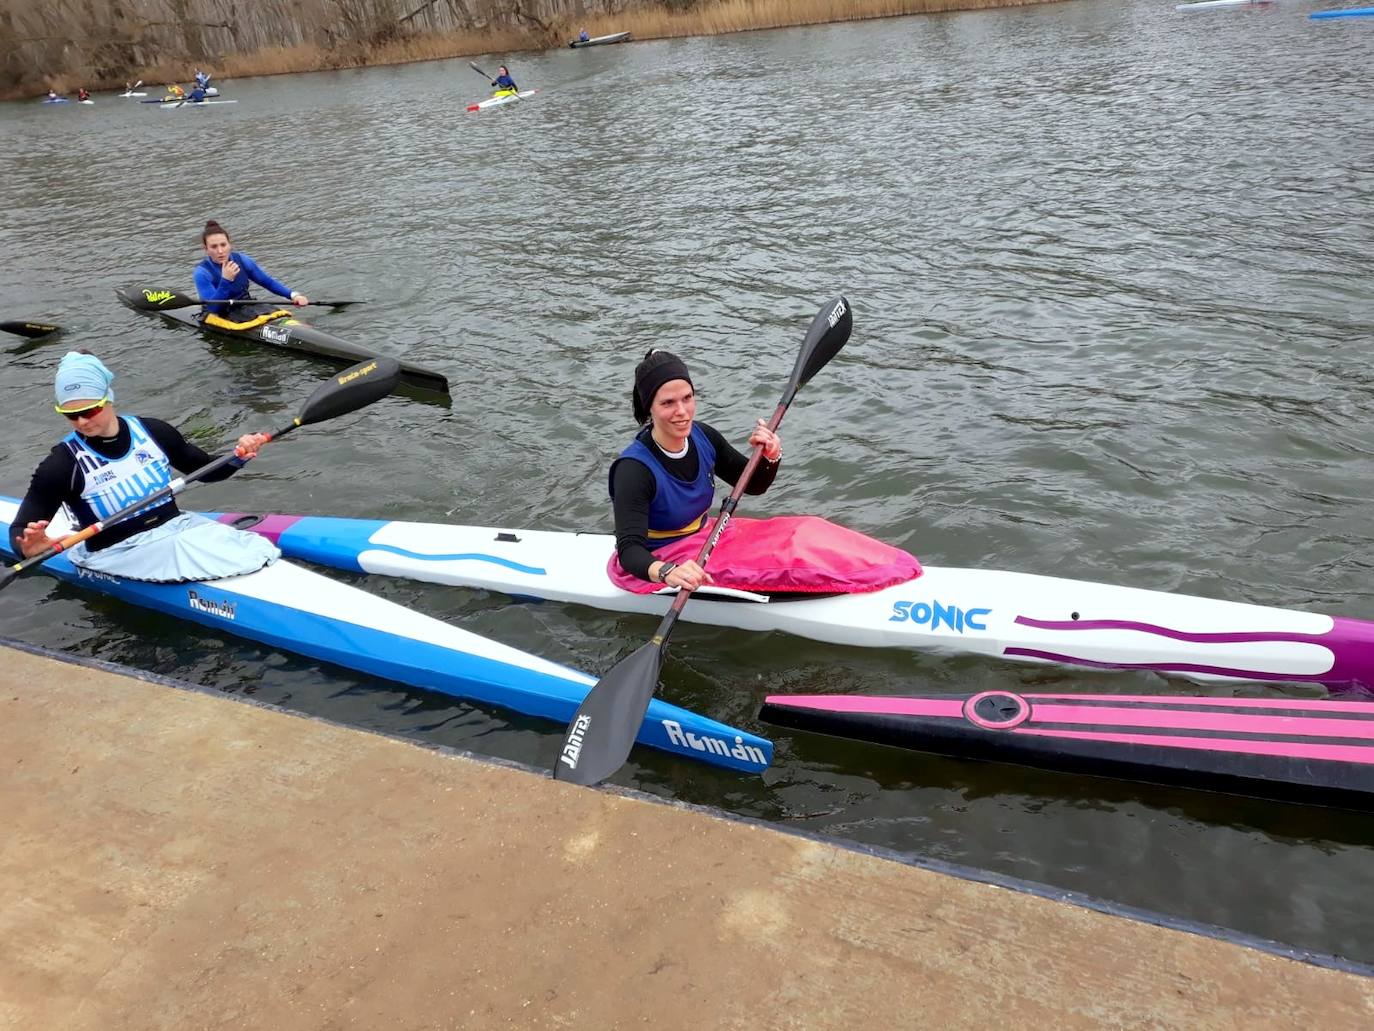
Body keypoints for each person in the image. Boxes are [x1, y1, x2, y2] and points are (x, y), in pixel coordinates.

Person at [10, 351, 280, 582]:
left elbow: (207, 471)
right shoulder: (61, 465)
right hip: (116, 552)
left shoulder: (154, 432)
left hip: (176, 528)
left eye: (90, 411)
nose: (81, 422)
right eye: (70, 415)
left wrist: (239, 455)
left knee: (251, 546)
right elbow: (19, 529)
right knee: (195, 547)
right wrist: (31, 549)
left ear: (108, 399)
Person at [609, 350, 781, 592]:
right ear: (650, 408)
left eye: (687, 398)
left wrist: (770, 456)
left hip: (704, 537)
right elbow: (629, 551)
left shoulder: (703, 436)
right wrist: (668, 572)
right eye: (668, 402)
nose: (682, 411)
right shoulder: (633, 470)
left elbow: (753, 486)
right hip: (659, 560)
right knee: (775, 563)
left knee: (796, 534)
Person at [194, 219, 308, 318]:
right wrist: (226, 280)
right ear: (206, 249)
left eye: (223, 245)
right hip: (222, 313)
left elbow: (268, 282)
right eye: (214, 247)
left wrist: (293, 295)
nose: (220, 251)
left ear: (229, 244)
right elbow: (214, 308)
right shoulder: (202, 273)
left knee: (280, 315)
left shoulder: (242, 260)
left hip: (246, 306)